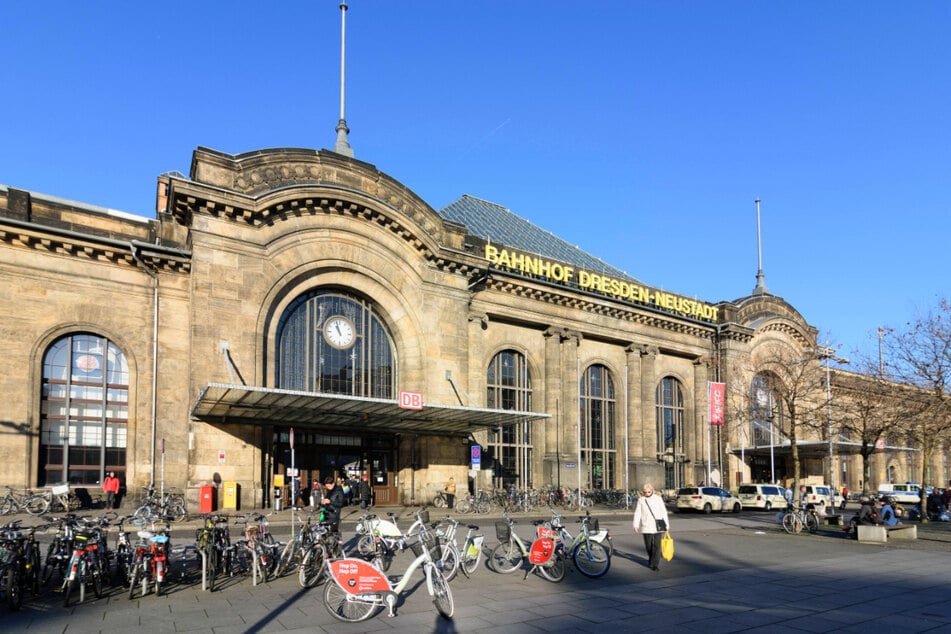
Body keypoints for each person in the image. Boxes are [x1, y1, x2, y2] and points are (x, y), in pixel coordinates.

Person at [632, 483, 670, 571]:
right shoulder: (641, 500)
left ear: (652, 490)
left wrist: (666, 525)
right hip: (646, 525)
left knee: (657, 546)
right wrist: (636, 524)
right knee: (648, 545)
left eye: (649, 492)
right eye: (645, 492)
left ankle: (655, 564)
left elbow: (663, 511)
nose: (647, 494)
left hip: (658, 525)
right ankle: (651, 558)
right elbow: (638, 513)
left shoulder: (658, 498)